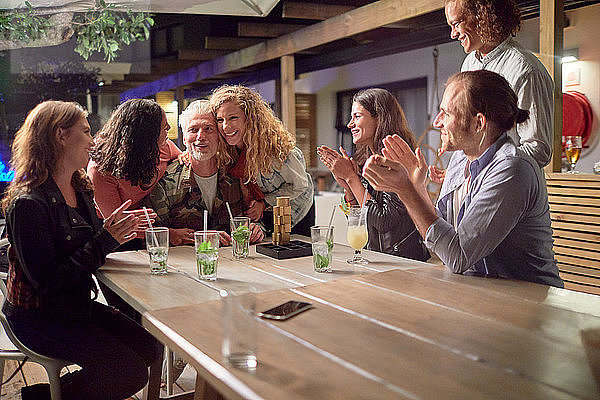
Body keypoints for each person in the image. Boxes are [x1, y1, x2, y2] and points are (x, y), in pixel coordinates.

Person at [1, 101, 162, 400]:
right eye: (86, 132)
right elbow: (47, 281)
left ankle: (44, 395)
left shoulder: (79, 186)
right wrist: (106, 239)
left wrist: (115, 231)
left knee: (151, 347)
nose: (93, 139)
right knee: (131, 372)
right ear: (60, 136)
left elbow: (89, 245)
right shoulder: (27, 204)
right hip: (36, 317)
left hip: (73, 305)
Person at [362, 70, 563, 287]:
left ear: (478, 124)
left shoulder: (511, 169)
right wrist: (416, 186)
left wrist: (405, 191)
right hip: (482, 291)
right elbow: (440, 241)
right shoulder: (460, 159)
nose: (437, 122)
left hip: (531, 300)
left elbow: (457, 257)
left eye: (446, 114)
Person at [317, 88, 429, 261]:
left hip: (403, 263)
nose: (349, 124)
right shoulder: (368, 157)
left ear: (379, 118)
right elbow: (360, 222)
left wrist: (351, 178)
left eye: (357, 116)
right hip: (377, 258)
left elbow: (384, 221)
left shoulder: (397, 158)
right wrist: (348, 188)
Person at [440, 0, 554, 170]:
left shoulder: (525, 70)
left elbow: (538, 150)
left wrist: (487, 173)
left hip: (511, 188)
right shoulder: (469, 64)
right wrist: (459, 175)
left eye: (456, 24)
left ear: (482, 16)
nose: (453, 34)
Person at [147, 100, 264, 245]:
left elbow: (257, 218)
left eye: (208, 129)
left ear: (220, 137)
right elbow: (154, 234)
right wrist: (199, 238)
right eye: (193, 130)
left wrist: (257, 229)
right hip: (185, 263)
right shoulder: (165, 181)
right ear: (184, 138)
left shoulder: (237, 175)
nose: (200, 136)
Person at [210, 85, 314, 235]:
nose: (226, 126)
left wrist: (265, 202)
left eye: (233, 118)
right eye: (220, 120)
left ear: (250, 119)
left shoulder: (279, 151)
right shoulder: (228, 151)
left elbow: (300, 186)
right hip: (264, 214)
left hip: (297, 212)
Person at [87, 99, 186, 244]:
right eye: (164, 127)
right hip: (113, 236)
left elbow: (183, 160)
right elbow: (117, 224)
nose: (169, 128)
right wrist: (169, 234)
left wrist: (187, 156)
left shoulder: (163, 147)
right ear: (146, 135)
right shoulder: (101, 169)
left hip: (149, 222)